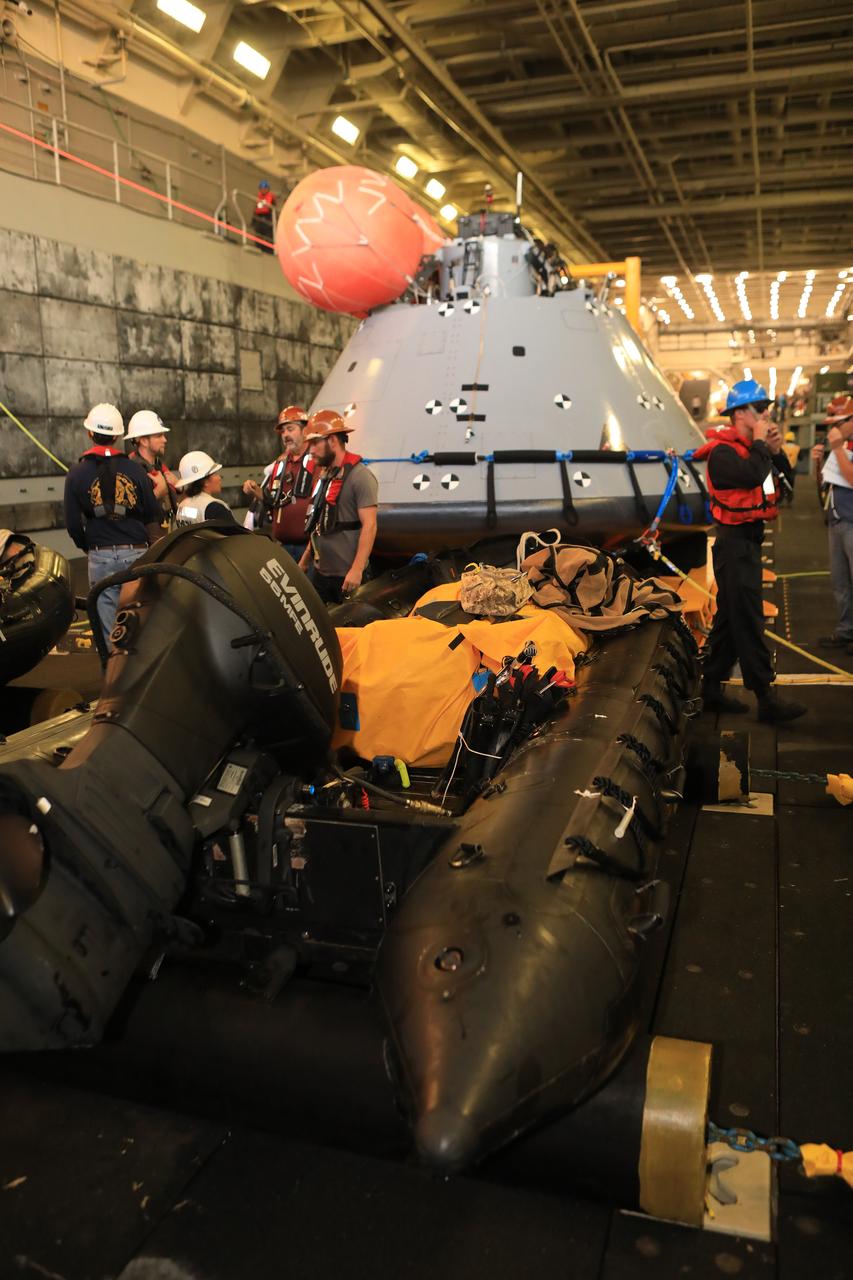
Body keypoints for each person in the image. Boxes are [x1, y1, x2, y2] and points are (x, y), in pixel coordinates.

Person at [692, 379, 806, 723]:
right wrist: (761, 447)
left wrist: (775, 452)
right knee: (750, 621)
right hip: (734, 545)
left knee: (730, 620)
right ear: (740, 413)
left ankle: (709, 689)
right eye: (760, 409)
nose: (767, 415)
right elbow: (751, 476)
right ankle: (766, 697)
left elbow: (784, 485)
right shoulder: (723, 455)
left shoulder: (754, 451)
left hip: (748, 544)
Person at [64, 402, 163, 649]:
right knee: (141, 616)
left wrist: (89, 546)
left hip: (101, 555)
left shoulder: (76, 474)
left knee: (109, 628)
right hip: (137, 552)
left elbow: (73, 524)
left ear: (89, 433)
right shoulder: (136, 471)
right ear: (119, 435)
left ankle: (114, 675)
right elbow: (152, 514)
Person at [299, 409, 378, 604]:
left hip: (347, 577)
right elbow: (319, 522)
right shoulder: (325, 476)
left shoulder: (360, 476)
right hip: (321, 575)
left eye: (315, 442)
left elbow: (370, 526)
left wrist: (357, 570)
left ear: (332, 440)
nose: (310, 450)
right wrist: (305, 560)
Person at [242, 405, 314, 560]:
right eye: (283, 431)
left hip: (310, 547)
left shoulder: (317, 461)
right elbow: (274, 500)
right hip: (284, 546)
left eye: (290, 429)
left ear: (305, 430)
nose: (285, 435)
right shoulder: (280, 464)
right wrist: (256, 491)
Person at [812, 396, 853, 653]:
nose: (833, 429)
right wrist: (819, 464)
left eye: (839, 423)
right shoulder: (842, 446)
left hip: (851, 521)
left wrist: (837, 449)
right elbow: (824, 486)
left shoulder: (842, 447)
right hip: (837, 520)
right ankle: (847, 631)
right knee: (840, 581)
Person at [126, 409, 179, 527]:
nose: (165, 440)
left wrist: (180, 488)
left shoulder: (159, 467)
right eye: (159, 436)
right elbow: (128, 513)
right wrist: (156, 494)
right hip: (146, 540)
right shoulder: (131, 471)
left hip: (164, 534)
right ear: (144, 441)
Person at [174, 451, 234, 524]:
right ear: (205, 482)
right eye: (215, 474)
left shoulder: (182, 505)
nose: (219, 478)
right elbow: (236, 535)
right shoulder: (215, 508)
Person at [252, 179, 276, 252]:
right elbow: (256, 208)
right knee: (259, 233)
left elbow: (272, 208)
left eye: (265, 188)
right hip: (259, 218)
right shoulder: (259, 197)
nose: (263, 190)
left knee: (268, 234)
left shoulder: (271, 197)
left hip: (267, 218)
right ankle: (259, 247)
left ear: (268, 189)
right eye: (261, 188)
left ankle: (269, 249)